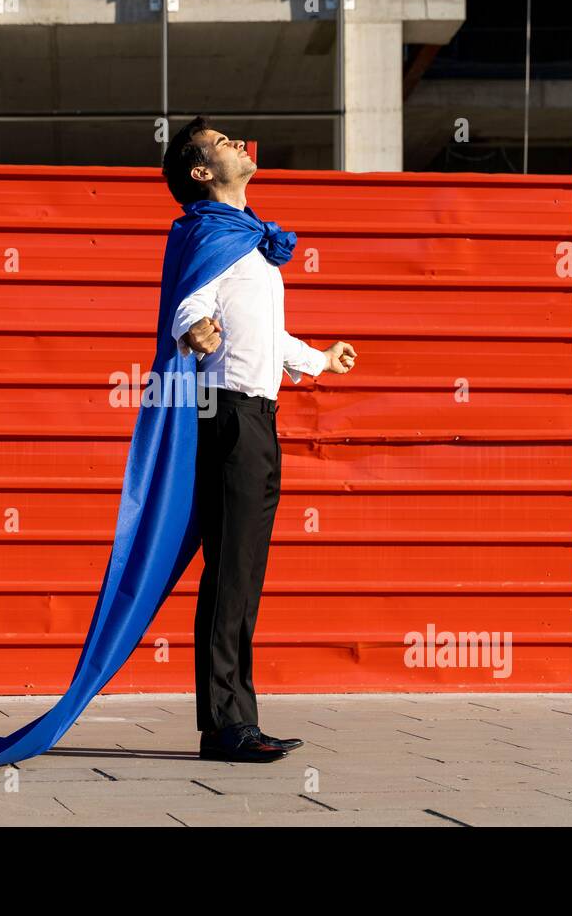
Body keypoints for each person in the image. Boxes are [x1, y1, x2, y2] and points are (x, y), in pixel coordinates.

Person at [160, 116, 357, 763]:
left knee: (243, 575)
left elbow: (263, 337)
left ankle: (234, 719)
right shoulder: (206, 234)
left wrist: (317, 359)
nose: (237, 143)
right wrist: (193, 332)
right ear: (200, 172)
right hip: (227, 414)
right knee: (230, 574)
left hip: (259, 418)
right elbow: (190, 303)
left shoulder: (246, 240)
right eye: (221, 143)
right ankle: (224, 725)